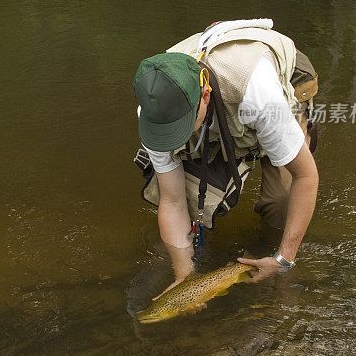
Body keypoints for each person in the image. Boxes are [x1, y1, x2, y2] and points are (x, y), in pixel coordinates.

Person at [133, 19, 319, 292]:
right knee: (185, 195)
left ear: (205, 96)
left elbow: (306, 176)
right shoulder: (154, 109)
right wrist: (185, 277)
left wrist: (284, 258)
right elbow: (172, 202)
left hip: (282, 87)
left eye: (180, 128)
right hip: (223, 109)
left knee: (280, 202)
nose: (172, 140)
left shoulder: (261, 96)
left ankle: (272, 256)